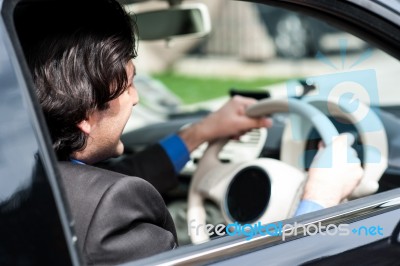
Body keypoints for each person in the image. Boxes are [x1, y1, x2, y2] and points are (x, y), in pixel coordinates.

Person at [17, 0, 363, 264]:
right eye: (129, 86)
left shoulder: (32, 177)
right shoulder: (107, 210)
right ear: (84, 114)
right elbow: (108, 196)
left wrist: (200, 132)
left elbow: (113, 178)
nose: (136, 99)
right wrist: (318, 204)